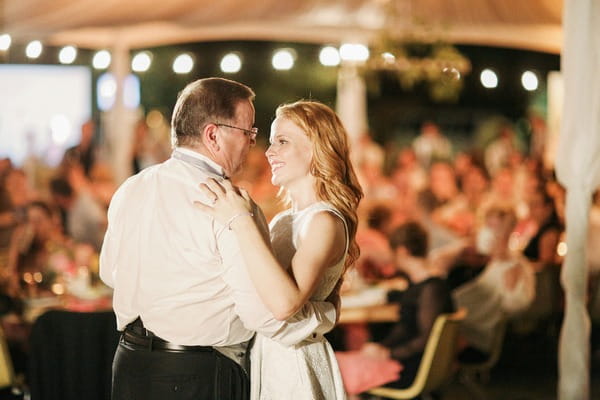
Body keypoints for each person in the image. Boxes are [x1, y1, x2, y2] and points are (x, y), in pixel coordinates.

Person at [99, 78, 338, 400]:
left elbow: (109, 273)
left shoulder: (132, 187)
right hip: (196, 374)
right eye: (247, 132)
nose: (254, 143)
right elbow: (263, 316)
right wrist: (326, 315)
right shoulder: (229, 203)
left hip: (129, 360)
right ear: (213, 134)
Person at [196, 100, 363, 399]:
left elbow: (285, 304)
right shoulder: (286, 219)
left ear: (317, 148)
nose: (269, 152)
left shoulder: (324, 221)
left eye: (282, 142)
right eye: (272, 142)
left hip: (296, 366)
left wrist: (240, 222)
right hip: (270, 356)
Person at [358, 221, 454, 389]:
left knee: (340, 371)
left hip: (410, 368)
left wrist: (387, 353)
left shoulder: (431, 289)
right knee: (347, 365)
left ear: (402, 252)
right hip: (413, 362)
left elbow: (426, 339)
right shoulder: (425, 284)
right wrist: (381, 348)